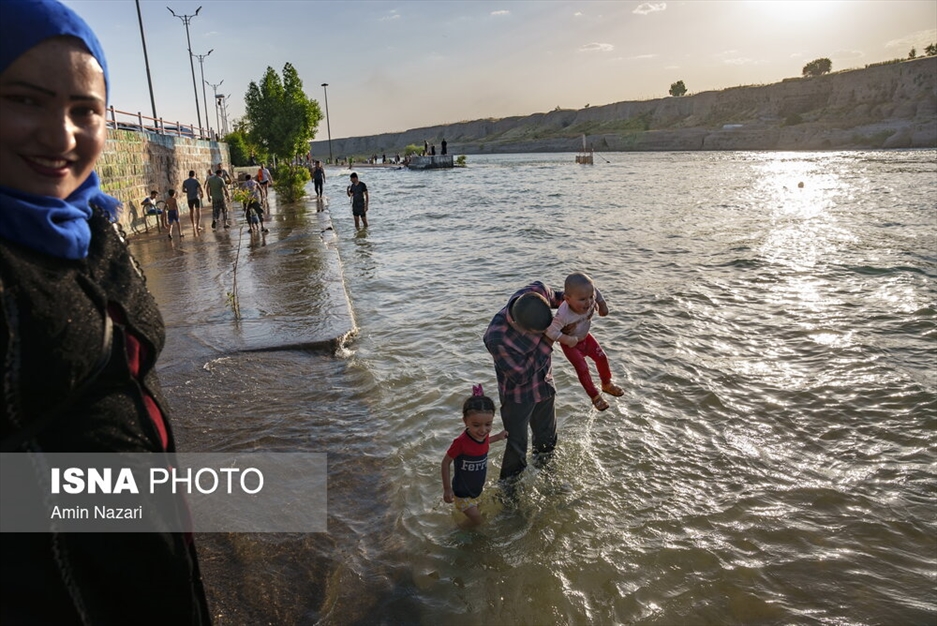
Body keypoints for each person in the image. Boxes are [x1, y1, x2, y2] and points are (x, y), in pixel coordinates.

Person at [0, 1, 211, 623]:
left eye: (84, 110)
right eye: (25, 100)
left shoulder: (93, 223)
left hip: (156, 568)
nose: (62, 134)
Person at [484, 282, 565, 480]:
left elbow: (563, 298)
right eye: (536, 333)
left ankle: (548, 479)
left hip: (544, 384)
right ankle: (509, 494)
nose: (541, 335)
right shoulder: (496, 337)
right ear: (519, 327)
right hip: (517, 397)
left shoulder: (537, 291)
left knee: (547, 441)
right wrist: (548, 339)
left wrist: (591, 298)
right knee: (516, 448)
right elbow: (520, 376)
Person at [544, 272, 624, 411]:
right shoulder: (564, 314)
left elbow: (596, 291)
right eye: (582, 299)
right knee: (583, 369)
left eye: (590, 297)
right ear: (567, 299)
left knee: (602, 358)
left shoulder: (590, 297)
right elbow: (550, 331)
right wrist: (567, 339)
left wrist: (602, 304)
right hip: (571, 345)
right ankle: (594, 396)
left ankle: (607, 384)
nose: (588, 302)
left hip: (585, 337)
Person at [441, 385, 508, 526]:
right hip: (462, 494)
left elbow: (484, 442)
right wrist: (447, 489)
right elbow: (446, 462)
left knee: (477, 518)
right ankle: (456, 535)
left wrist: (499, 436)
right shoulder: (460, 442)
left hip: (476, 490)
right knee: (481, 523)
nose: (483, 430)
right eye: (476, 425)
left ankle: (462, 530)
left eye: (488, 424)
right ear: (465, 421)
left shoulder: (482, 436)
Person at [181, 169, 203, 235]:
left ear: (189, 175)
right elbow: (200, 188)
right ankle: (198, 225)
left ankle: (193, 224)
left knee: (191, 211)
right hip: (196, 197)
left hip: (189, 198)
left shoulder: (185, 181)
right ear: (194, 174)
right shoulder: (196, 181)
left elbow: (183, 190)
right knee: (198, 211)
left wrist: (188, 191)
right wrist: (202, 194)